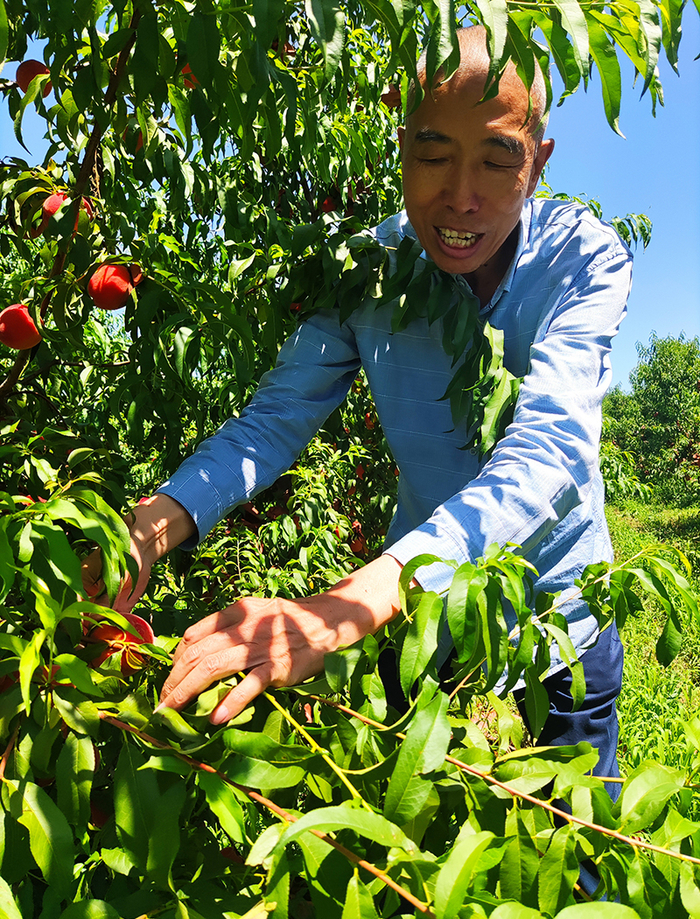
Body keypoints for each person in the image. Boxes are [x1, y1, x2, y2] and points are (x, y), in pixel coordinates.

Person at [84, 26, 631, 783]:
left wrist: (349, 603)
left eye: (498, 159)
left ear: (538, 163)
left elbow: (550, 452)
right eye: (433, 156)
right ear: (400, 147)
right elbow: (273, 422)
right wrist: (151, 524)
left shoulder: (584, 258)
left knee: (581, 866)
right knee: (417, 858)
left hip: (556, 631)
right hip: (424, 630)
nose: (460, 197)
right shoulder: (368, 271)